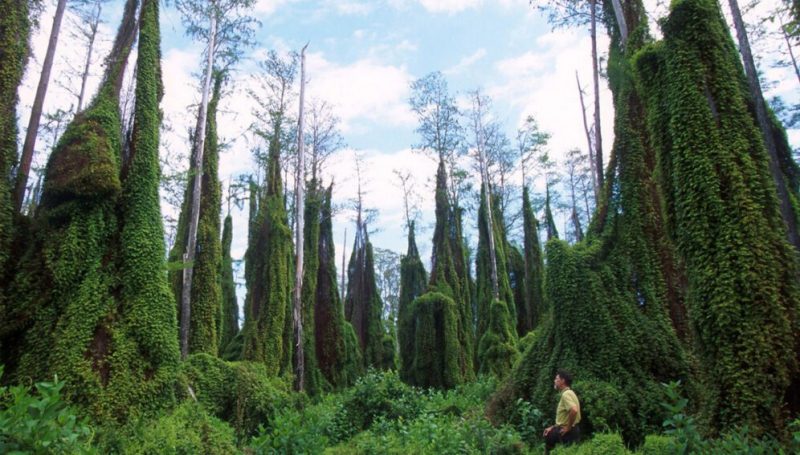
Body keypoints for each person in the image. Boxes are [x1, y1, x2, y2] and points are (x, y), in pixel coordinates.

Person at [543, 369, 581, 453]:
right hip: (574, 430)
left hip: (568, 432)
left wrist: (568, 427)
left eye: (556, 379)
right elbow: (565, 417)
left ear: (563, 381)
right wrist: (553, 427)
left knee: (548, 436)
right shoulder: (571, 392)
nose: (554, 381)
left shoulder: (565, 394)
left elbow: (574, 410)